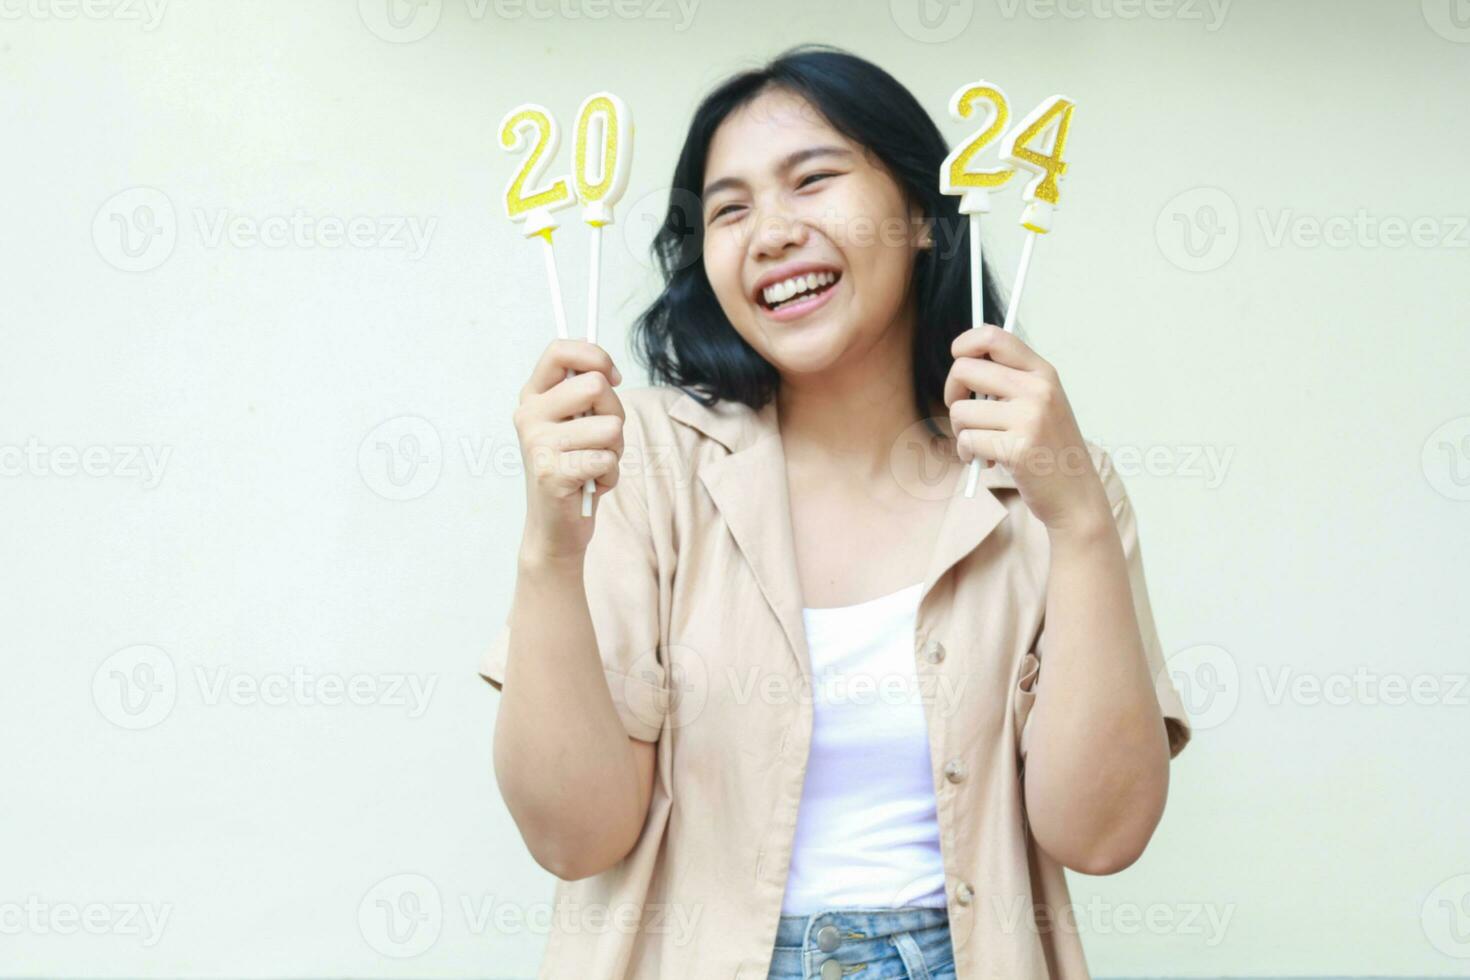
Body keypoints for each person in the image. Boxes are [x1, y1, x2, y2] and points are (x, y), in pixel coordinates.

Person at [481, 44, 1192, 980]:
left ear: (925, 219)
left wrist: (1082, 525)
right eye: (729, 209)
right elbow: (576, 837)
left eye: (812, 180)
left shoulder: (1050, 478)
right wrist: (549, 556)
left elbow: (1100, 835)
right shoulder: (640, 458)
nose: (769, 232)